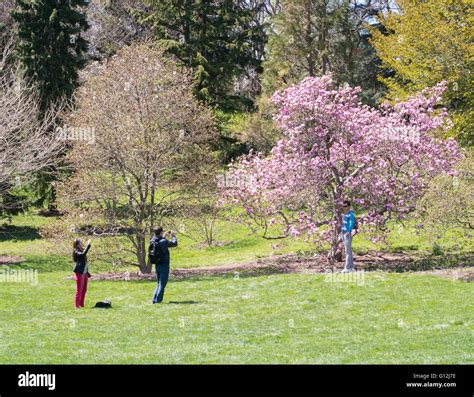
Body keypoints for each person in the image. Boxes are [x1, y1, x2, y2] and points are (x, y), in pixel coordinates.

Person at [150, 227, 178, 304]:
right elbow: (174, 243)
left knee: (158, 283)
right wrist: (173, 236)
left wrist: (163, 236)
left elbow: (158, 241)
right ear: (161, 232)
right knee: (162, 284)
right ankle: (158, 301)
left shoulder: (152, 240)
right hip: (164, 265)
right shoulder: (164, 241)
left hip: (157, 264)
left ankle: (154, 300)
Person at [73, 238, 91, 308]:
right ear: (77, 244)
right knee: (79, 289)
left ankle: (81, 304)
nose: (82, 243)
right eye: (80, 242)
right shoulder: (75, 251)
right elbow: (83, 254)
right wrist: (88, 245)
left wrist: (87, 272)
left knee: (84, 289)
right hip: (79, 272)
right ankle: (77, 305)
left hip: (85, 272)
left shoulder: (81, 249)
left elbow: (84, 260)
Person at [340, 200, 357, 273]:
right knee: (348, 250)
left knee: (348, 251)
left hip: (347, 234)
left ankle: (347, 267)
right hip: (343, 233)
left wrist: (348, 231)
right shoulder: (345, 214)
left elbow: (351, 223)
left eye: (346, 206)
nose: (344, 208)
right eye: (343, 206)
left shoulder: (351, 214)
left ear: (349, 206)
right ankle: (351, 267)